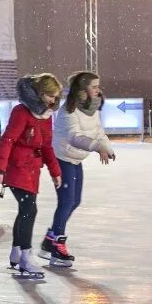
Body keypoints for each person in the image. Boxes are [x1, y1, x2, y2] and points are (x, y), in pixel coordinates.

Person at [0, 74, 63, 279]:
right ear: (39, 94)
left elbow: (47, 146)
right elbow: (8, 140)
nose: (53, 100)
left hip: (33, 170)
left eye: (55, 96)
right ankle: (25, 255)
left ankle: (16, 250)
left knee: (26, 209)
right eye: (50, 95)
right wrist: (0, 169)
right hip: (16, 168)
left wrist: (55, 172)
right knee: (29, 209)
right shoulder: (21, 112)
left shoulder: (47, 115)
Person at [41, 71, 116, 265]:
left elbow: (98, 131)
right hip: (61, 158)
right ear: (83, 89)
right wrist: (96, 146)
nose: (98, 90)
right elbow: (74, 137)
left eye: (98, 86)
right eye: (94, 86)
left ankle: (50, 239)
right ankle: (57, 245)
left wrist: (105, 146)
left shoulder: (92, 108)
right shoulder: (69, 111)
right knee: (66, 202)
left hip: (75, 158)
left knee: (75, 201)